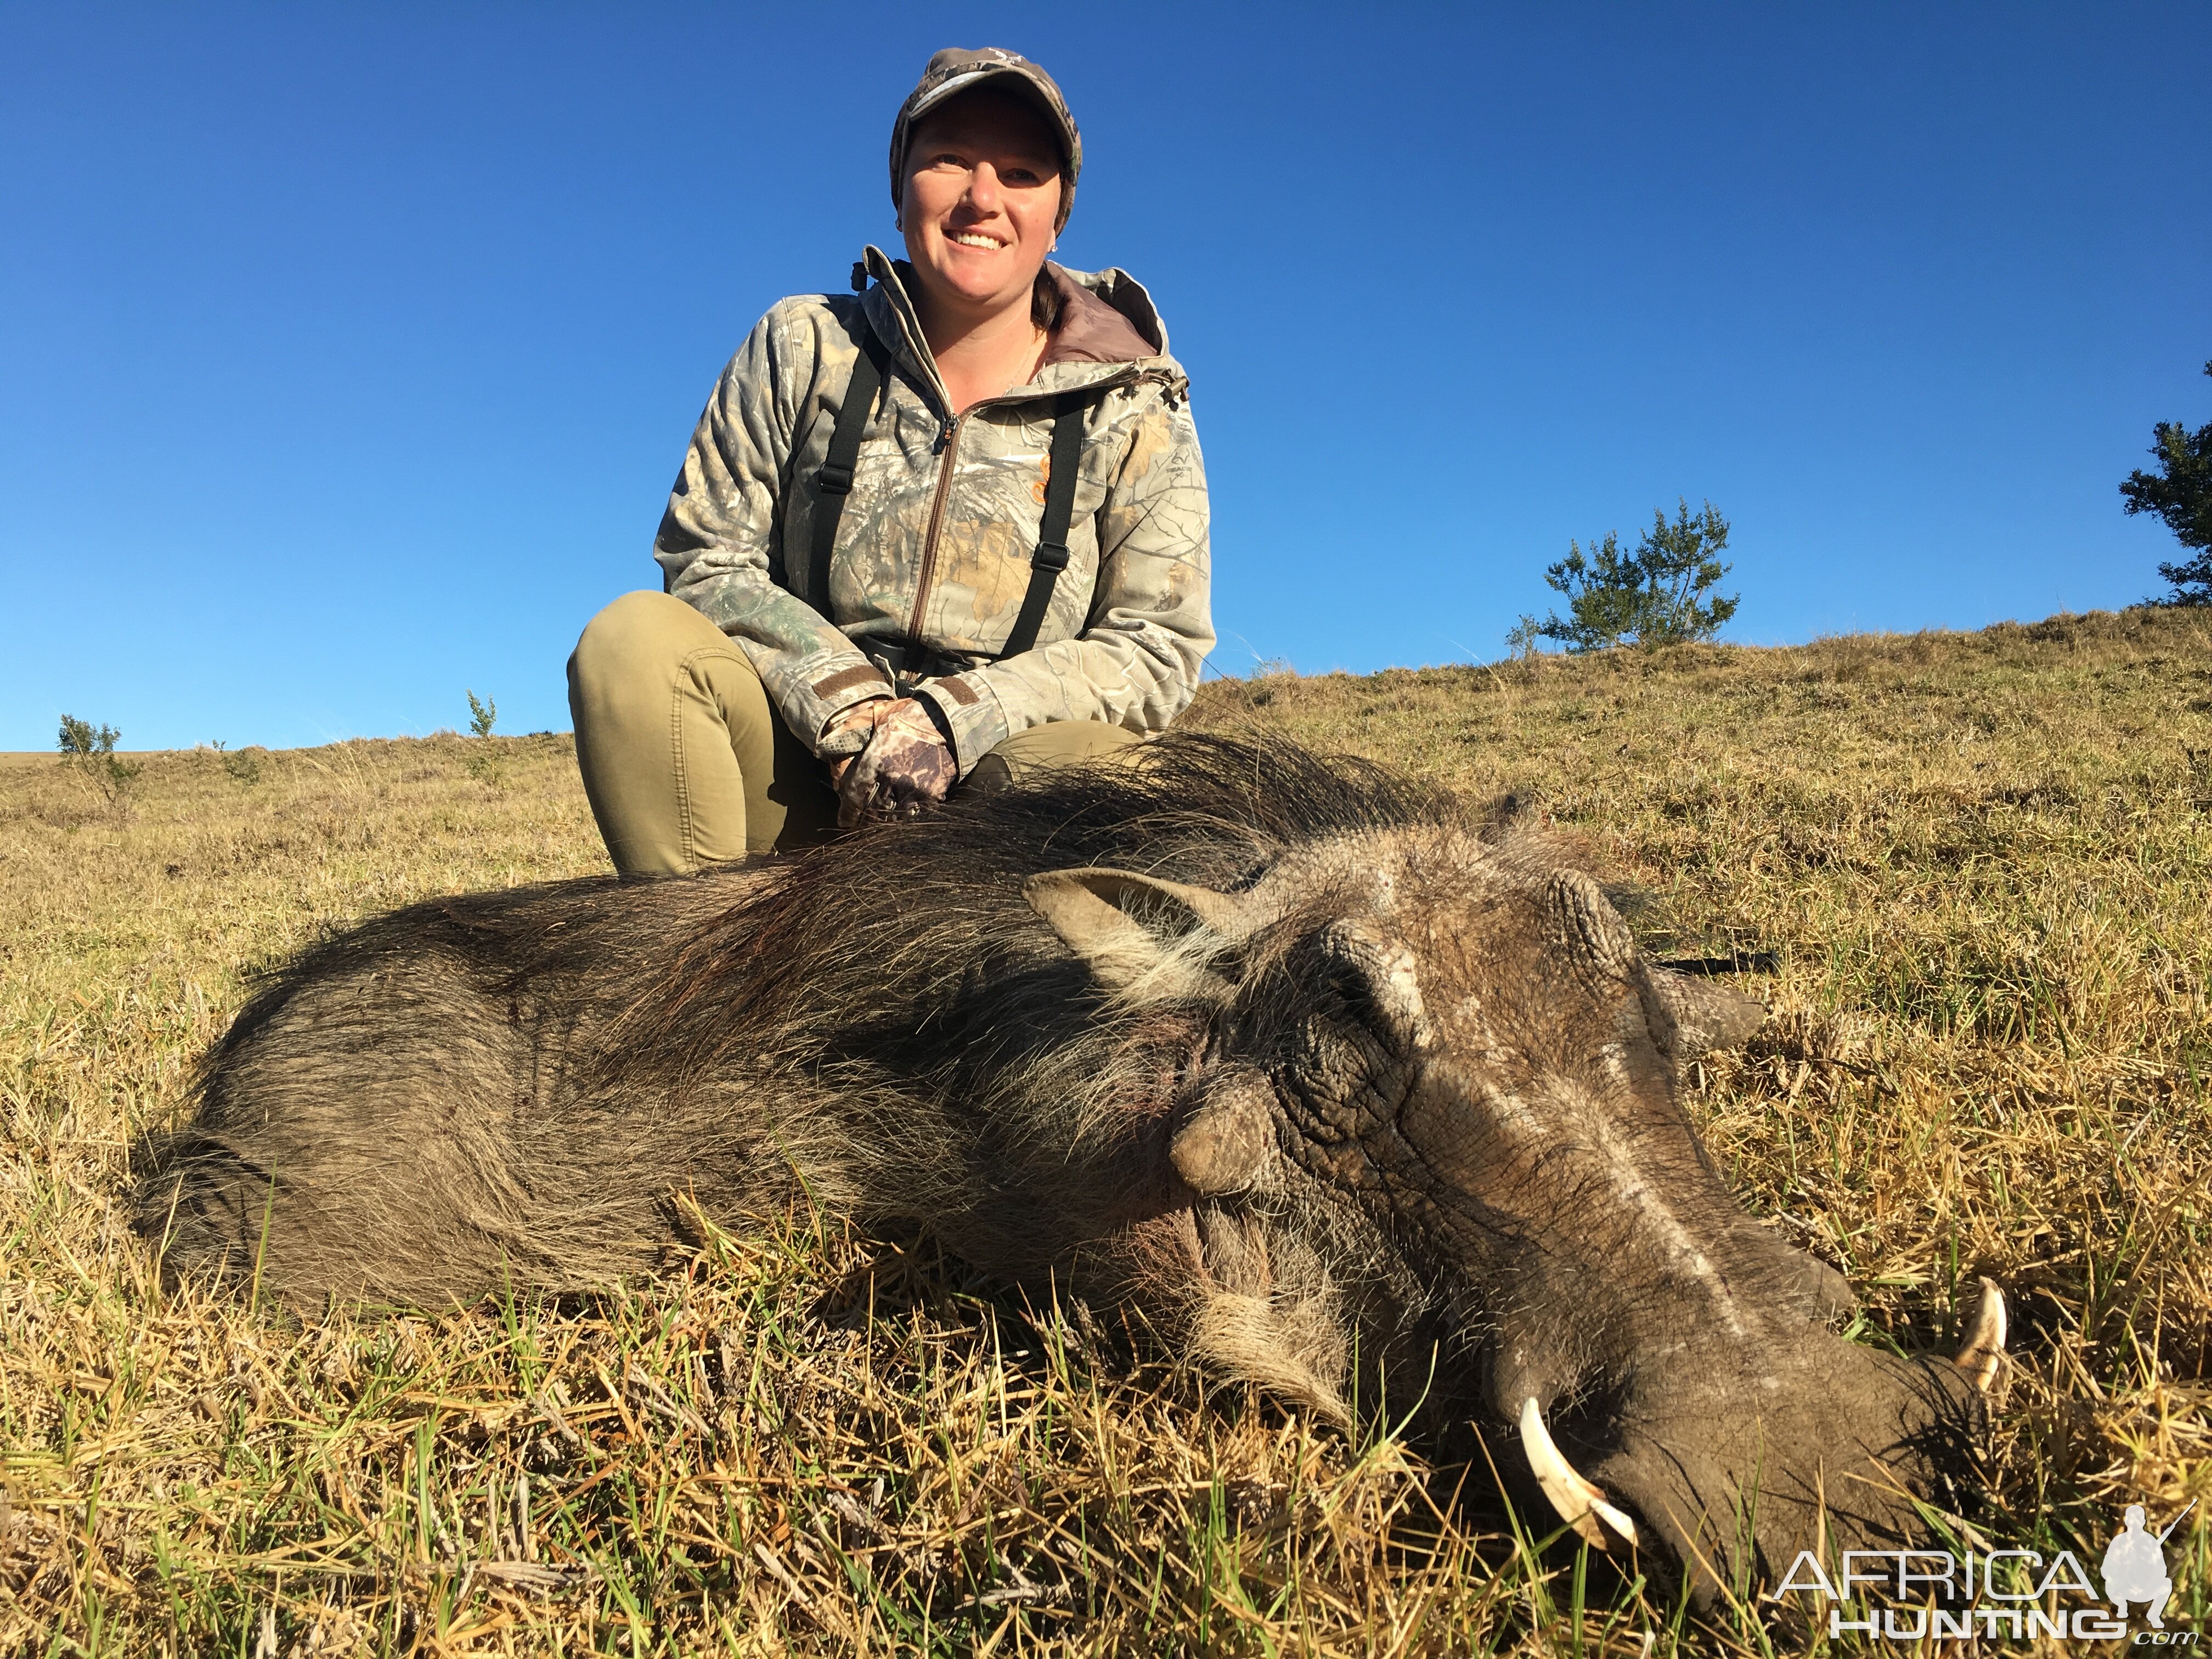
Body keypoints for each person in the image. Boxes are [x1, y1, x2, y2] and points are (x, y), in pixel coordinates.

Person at [567, 47, 1214, 877]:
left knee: (1108, 773)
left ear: (1060, 214)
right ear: (900, 182)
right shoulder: (801, 343)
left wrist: (954, 721)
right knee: (633, 644)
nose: (984, 198)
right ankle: (706, 972)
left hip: (999, 815)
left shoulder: (1137, 404)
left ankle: (1001, 993)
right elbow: (706, 559)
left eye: (1021, 173)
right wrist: (854, 709)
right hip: (798, 767)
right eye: (950, 159)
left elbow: (1157, 644)